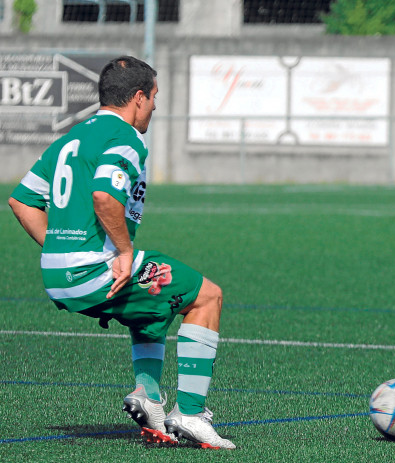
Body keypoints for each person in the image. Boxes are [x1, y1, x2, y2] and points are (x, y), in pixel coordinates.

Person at [8, 56, 235, 450]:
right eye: (154, 97)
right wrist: (125, 251)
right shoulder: (126, 138)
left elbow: (21, 200)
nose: (155, 107)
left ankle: (148, 396)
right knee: (207, 296)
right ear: (138, 97)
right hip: (93, 271)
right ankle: (192, 414)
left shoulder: (71, 137)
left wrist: (60, 246)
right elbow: (103, 194)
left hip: (57, 276)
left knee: (153, 302)